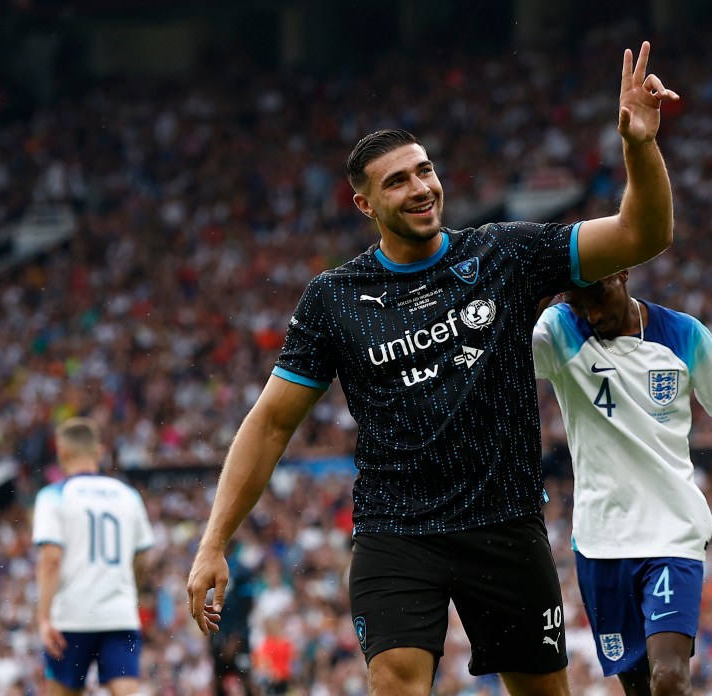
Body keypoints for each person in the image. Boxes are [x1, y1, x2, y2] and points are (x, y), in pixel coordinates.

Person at [187, 41, 680, 696]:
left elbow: (643, 235)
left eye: (424, 171)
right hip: (396, 533)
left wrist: (641, 146)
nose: (420, 188)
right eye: (397, 181)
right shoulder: (334, 298)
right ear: (365, 205)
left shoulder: (505, 252)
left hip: (504, 524)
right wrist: (213, 540)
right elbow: (272, 423)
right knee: (395, 681)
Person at [532, 269, 712, 696]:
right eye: (578, 302)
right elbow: (500, 354)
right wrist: (540, 293)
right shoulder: (560, 328)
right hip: (600, 542)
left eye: (598, 295)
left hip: (672, 533)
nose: (592, 313)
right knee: (640, 688)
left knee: (669, 679)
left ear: (623, 272)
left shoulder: (683, 335)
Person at [33, 417, 155, 696]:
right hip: (119, 614)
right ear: (99, 451)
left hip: (72, 616)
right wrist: (129, 591)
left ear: (62, 452)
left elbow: (51, 559)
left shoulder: (53, 496)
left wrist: (43, 619)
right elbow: (143, 556)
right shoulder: (128, 495)